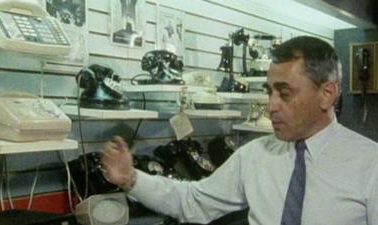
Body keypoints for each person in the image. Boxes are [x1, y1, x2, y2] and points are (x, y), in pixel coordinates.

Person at [100, 36, 378, 225]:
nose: (271, 106)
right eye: (269, 92)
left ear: (327, 94)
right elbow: (194, 201)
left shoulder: (370, 164)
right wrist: (130, 178)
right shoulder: (255, 155)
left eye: (285, 93)